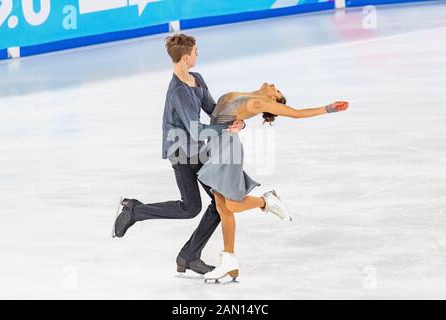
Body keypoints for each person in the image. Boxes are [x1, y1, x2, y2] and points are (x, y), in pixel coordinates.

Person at [112, 33, 246, 275]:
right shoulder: (178, 92)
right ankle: (135, 212)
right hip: (181, 151)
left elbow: (213, 111)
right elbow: (195, 130)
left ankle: (188, 256)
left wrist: (235, 121)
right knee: (191, 208)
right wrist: (225, 128)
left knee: (220, 203)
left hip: (197, 150)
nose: (198, 55)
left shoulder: (196, 79)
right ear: (186, 57)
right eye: (195, 52)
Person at [198, 84, 349, 282]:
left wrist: (328, 108)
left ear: (274, 101)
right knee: (222, 208)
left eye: (278, 92)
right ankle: (230, 262)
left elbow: (296, 113)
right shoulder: (250, 95)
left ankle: (266, 201)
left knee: (232, 205)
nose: (275, 87)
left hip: (228, 150)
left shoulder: (260, 102)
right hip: (216, 147)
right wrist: (242, 123)